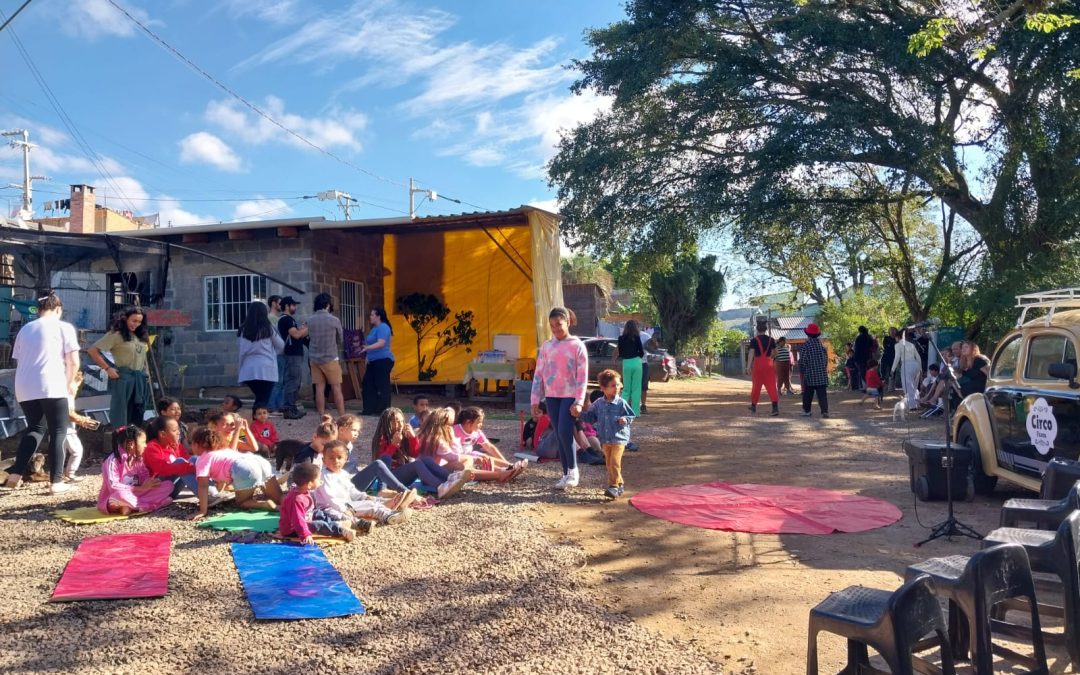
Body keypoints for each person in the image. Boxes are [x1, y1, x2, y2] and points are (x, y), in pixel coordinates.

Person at [3, 292, 81, 494]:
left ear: (38, 310)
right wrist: (70, 384)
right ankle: (56, 482)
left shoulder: (25, 329)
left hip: (24, 386)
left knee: (35, 429)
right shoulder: (64, 328)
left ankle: (15, 475)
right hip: (53, 385)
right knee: (58, 432)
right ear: (58, 309)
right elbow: (73, 361)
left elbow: (18, 359)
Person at [531, 307, 589, 489]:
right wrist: (534, 400)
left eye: (559, 324)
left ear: (568, 322)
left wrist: (579, 401)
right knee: (558, 433)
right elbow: (538, 374)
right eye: (552, 325)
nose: (555, 328)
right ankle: (565, 474)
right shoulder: (547, 346)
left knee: (565, 431)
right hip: (551, 396)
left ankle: (573, 470)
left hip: (570, 396)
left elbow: (582, 376)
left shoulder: (577, 345)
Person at [189, 426, 283, 521]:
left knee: (242, 502)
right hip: (260, 461)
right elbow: (222, 479)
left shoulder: (202, 459)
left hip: (244, 468)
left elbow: (203, 485)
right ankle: (291, 503)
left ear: (196, 444)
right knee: (279, 497)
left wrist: (202, 510)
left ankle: (266, 504)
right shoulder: (225, 451)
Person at [371, 407, 469, 498]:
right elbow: (382, 462)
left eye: (402, 421)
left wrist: (412, 438)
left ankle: (450, 477)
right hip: (389, 479)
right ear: (387, 423)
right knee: (417, 464)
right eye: (396, 421)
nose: (400, 424)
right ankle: (440, 487)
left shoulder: (402, 435)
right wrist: (393, 445)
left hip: (403, 476)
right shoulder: (382, 438)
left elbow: (415, 454)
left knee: (426, 460)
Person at [314, 442, 409, 533]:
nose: (336, 461)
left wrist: (364, 496)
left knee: (370, 503)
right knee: (345, 516)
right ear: (324, 460)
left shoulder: (343, 474)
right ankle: (362, 524)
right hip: (329, 508)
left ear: (345, 459)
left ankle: (389, 513)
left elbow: (351, 490)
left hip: (347, 504)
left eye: (339, 458)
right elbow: (330, 498)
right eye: (331, 458)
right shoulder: (323, 476)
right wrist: (343, 509)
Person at [88, 306, 152, 429]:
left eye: (139, 322)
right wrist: (108, 369)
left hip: (139, 381)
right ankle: (119, 444)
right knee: (121, 415)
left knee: (137, 415)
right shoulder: (116, 335)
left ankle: (134, 443)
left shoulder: (139, 337)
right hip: (123, 379)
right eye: (134, 321)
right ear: (125, 319)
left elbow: (142, 360)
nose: (136, 324)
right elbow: (92, 351)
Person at [579, 369, 635, 500]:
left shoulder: (621, 402)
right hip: (605, 439)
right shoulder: (598, 403)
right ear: (603, 388)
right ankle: (620, 484)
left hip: (619, 439)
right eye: (613, 385)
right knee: (609, 463)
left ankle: (613, 486)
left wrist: (625, 420)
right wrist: (579, 414)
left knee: (614, 462)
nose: (617, 387)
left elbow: (631, 415)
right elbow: (591, 417)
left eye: (618, 384)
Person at [97, 425, 173, 515]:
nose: (146, 445)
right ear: (131, 444)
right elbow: (113, 486)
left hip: (137, 494)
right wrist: (141, 488)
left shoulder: (138, 458)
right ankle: (150, 506)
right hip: (116, 496)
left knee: (168, 485)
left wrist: (150, 482)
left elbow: (145, 478)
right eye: (143, 442)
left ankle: (129, 507)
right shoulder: (112, 460)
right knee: (120, 495)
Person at [279, 462, 355, 545]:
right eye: (318, 479)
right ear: (310, 484)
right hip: (293, 529)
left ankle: (337, 522)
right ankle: (341, 531)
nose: (320, 481)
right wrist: (305, 535)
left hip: (306, 517)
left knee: (319, 513)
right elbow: (298, 520)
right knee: (319, 525)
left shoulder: (302, 490)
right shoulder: (296, 499)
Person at [236, 300, 285, 412]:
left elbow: (242, 353)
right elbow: (281, 346)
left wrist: (240, 373)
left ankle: (256, 424)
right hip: (266, 369)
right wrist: (272, 352)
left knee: (260, 399)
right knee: (262, 401)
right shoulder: (268, 328)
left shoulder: (243, 330)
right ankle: (257, 425)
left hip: (248, 370)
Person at [307, 293, 345, 417]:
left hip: (314, 358)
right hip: (330, 358)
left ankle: (322, 416)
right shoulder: (334, 320)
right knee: (336, 388)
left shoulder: (310, 320)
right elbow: (341, 339)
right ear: (328, 305)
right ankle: (342, 416)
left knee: (319, 389)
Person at [143, 415, 199, 499]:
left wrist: (200, 463)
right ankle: (204, 495)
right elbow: (162, 469)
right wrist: (190, 467)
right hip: (157, 489)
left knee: (195, 459)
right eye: (174, 430)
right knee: (180, 462)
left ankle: (209, 491)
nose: (178, 432)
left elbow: (188, 459)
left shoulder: (174, 445)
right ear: (162, 434)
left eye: (178, 429)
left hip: (171, 488)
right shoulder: (152, 447)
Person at [62, 371, 99, 483]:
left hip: (60, 429)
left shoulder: (62, 397)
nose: (77, 389)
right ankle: (70, 473)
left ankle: (58, 475)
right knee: (77, 451)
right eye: (76, 386)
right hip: (67, 430)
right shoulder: (67, 397)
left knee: (60, 453)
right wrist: (83, 421)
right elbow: (69, 414)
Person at [277, 296, 309, 420]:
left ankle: (292, 407)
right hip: (292, 354)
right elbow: (296, 335)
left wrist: (302, 329)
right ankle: (288, 408)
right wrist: (307, 328)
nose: (295, 307)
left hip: (294, 354)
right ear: (287, 306)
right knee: (292, 381)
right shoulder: (286, 319)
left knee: (295, 382)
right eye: (293, 305)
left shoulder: (289, 320)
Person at [360, 306, 395, 416]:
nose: (370, 317)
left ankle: (383, 411)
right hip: (373, 361)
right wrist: (367, 357)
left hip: (383, 360)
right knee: (368, 384)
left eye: (372, 315)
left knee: (382, 385)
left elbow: (381, 343)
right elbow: (371, 343)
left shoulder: (383, 327)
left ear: (378, 316)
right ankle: (369, 409)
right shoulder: (374, 328)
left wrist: (367, 348)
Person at [746, 320, 780, 415]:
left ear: (757, 329)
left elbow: (751, 353)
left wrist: (748, 367)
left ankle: (753, 406)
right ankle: (775, 408)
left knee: (756, 386)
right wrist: (771, 358)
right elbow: (776, 352)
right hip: (769, 364)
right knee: (772, 386)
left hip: (758, 365)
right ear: (765, 329)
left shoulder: (754, 340)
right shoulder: (771, 340)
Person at [613, 319, 645, 415]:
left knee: (626, 388)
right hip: (637, 362)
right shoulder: (637, 337)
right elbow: (641, 352)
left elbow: (621, 352)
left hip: (626, 363)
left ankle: (622, 410)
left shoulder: (621, 338)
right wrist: (637, 356)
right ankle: (635, 411)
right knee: (636, 388)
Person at [799, 323, 829, 418]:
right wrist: (822, 369)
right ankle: (825, 411)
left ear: (808, 334)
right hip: (821, 374)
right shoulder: (822, 347)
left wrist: (803, 371)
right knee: (822, 395)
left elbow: (802, 361)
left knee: (808, 394)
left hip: (810, 375)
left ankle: (807, 411)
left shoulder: (805, 347)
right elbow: (825, 361)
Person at [892, 329, 922, 409]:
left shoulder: (897, 345)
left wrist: (893, 369)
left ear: (898, 337)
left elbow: (897, 357)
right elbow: (918, 356)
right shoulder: (911, 344)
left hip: (906, 365)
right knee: (915, 386)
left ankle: (912, 405)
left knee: (907, 386)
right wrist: (920, 368)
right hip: (916, 364)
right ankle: (917, 402)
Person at [266, 295, 285, 413]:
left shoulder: (276, 318)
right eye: (279, 303)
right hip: (276, 353)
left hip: (279, 353)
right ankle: (272, 405)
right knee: (277, 381)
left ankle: (279, 405)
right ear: (274, 304)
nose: (281, 306)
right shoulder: (270, 318)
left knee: (281, 381)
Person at [852, 325, 873, 390]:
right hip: (868, 357)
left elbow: (856, 349)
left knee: (862, 372)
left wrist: (855, 358)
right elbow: (871, 346)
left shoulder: (859, 338)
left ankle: (866, 386)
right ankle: (870, 385)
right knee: (868, 371)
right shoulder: (869, 337)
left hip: (860, 358)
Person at [880, 327, 898, 393]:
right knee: (883, 371)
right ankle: (883, 386)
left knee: (893, 371)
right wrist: (892, 346)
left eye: (894, 330)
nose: (893, 332)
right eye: (891, 330)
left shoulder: (897, 338)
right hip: (885, 356)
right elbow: (886, 347)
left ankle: (891, 387)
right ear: (889, 332)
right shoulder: (886, 338)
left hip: (894, 357)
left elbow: (896, 348)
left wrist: (891, 346)